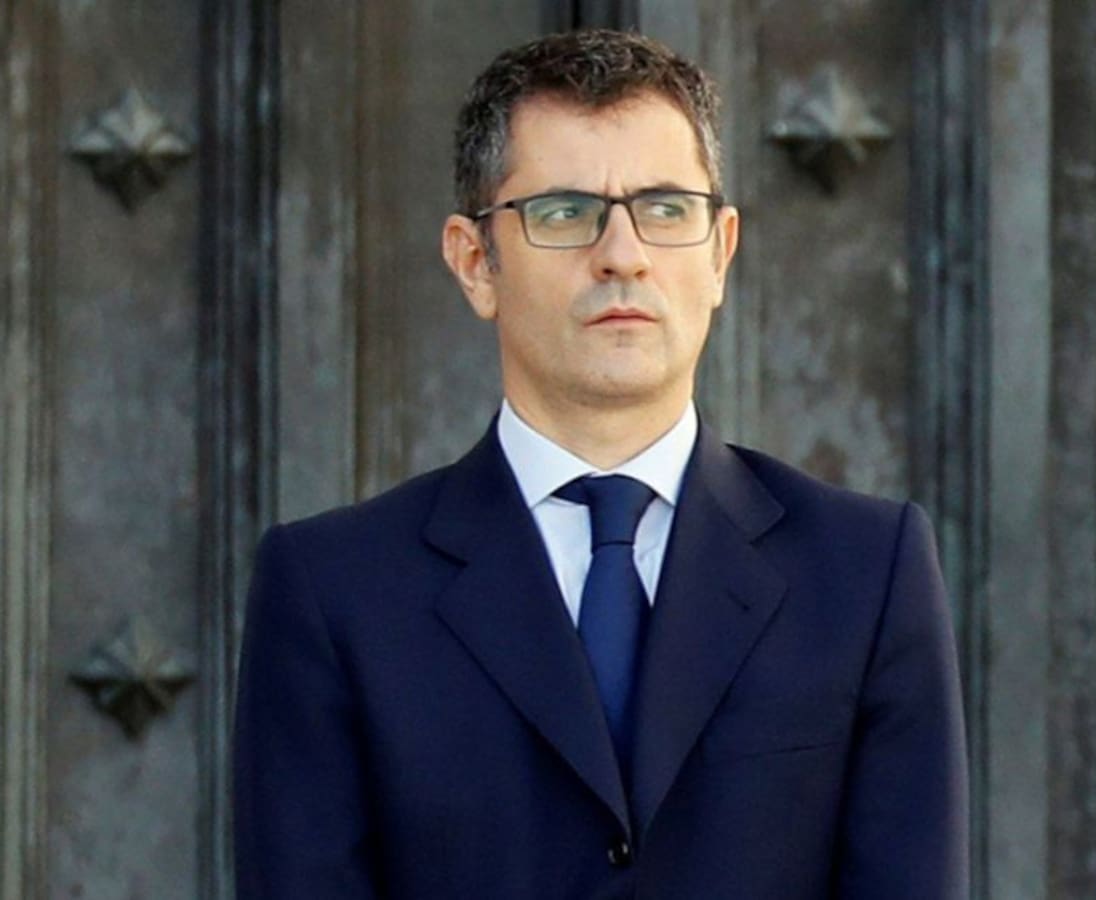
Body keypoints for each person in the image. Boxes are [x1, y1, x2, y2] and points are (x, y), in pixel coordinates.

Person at [234, 28, 968, 899]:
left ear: (721, 252)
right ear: (475, 263)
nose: (623, 254)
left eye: (665, 209)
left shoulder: (866, 573)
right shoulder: (333, 590)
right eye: (564, 213)